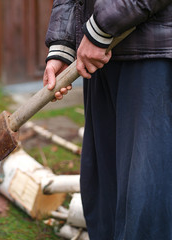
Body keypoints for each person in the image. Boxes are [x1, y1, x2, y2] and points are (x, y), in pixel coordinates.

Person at [43, 0, 172, 239]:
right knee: (102, 197)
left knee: (146, 203)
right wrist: (62, 46)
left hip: (154, 54)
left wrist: (100, 28)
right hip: (101, 56)